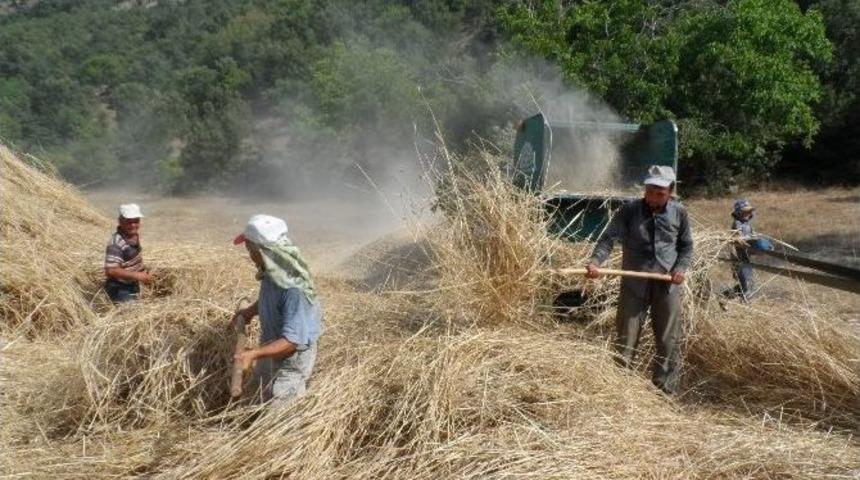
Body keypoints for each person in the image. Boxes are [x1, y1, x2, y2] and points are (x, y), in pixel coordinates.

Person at [585, 165, 694, 394]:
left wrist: (681, 268)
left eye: (660, 192)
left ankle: (665, 390)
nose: (654, 196)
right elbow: (608, 239)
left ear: (670, 191)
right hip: (635, 282)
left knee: (668, 338)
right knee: (627, 334)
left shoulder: (679, 213)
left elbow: (686, 246)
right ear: (645, 188)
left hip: (667, 283)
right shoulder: (629, 211)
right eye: (650, 190)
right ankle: (620, 387)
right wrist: (596, 262)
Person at [231, 214, 322, 406]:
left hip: (291, 360)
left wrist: (253, 354)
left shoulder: (294, 289)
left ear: (262, 251)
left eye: (249, 249)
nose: (248, 254)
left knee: (281, 410)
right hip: (272, 346)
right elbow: (270, 298)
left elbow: (292, 341)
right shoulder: (272, 271)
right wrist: (250, 312)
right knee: (258, 396)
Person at [104, 203, 152, 303]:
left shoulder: (133, 236)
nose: (133, 225)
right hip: (120, 288)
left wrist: (143, 271)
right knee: (130, 315)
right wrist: (138, 275)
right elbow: (111, 270)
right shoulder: (116, 243)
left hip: (132, 284)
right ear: (120, 221)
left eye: (136, 221)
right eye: (129, 222)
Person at [727, 199, 757, 302]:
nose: (747, 214)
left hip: (747, 255)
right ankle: (745, 300)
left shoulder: (748, 224)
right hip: (739, 255)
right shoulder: (737, 223)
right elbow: (737, 237)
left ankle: (730, 297)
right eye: (745, 212)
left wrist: (756, 240)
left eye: (749, 212)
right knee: (744, 276)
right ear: (739, 212)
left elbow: (753, 235)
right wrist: (743, 241)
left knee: (749, 277)